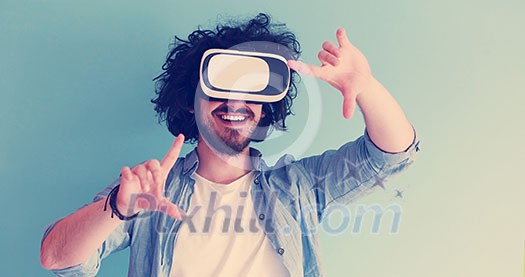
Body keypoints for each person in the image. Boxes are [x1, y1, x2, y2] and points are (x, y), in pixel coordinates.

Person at [40, 13, 420, 276]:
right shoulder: (151, 191)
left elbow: (391, 155)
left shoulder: (298, 186)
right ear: (190, 100)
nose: (234, 103)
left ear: (264, 106)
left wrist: (366, 87)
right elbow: (56, 257)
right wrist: (117, 208)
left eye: (248, 90)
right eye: (218, 87)